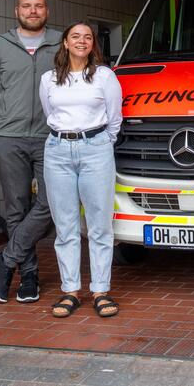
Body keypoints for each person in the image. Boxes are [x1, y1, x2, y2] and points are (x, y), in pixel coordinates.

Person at [0, 0, 61, 304]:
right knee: (17, 208)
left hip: (48, 137)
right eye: (27, 6)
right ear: (16, 11)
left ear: (46, 11)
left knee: (52, 203)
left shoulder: (59, 44)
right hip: (8, 139)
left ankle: (6, 259)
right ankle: (29, 278)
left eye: (39, 5)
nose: (33, 11)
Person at [39, 22, 122, 318]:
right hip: (58, 150)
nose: (82, 41)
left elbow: (115, 119)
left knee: (99, 224)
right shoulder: (49, 79)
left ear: (93, 45)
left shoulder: (104, 76)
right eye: (75, 36)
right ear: (65, 43)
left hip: (95, 147)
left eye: (87, 37)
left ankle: (101, 290)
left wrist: (99, 143)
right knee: (65, 226)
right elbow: (51, 114)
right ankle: (70, 290)